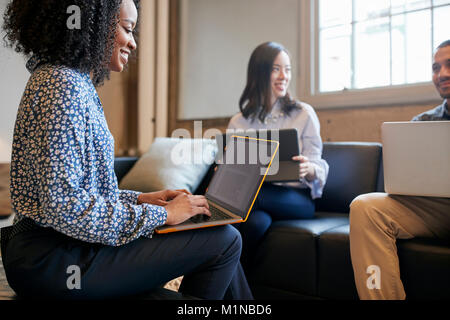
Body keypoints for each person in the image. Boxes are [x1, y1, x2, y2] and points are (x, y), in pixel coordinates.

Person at [0, 0, 252, 300]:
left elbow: (79, 192)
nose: (132, 42)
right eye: (127, 29)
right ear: (92, 26)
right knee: (225, 240)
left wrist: (143, 199)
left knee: (218, 241)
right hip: (52, 259)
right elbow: (63, 206)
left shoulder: (71, 82)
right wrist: (161, 215)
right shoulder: (62, 86)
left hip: (59, 250)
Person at [349, 39, 450, 300]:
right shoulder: (423, 123)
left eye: (449, 65)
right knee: (365, 207)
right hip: (437, 208)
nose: (442, 74)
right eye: (436, 67)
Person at [227, 42, 329, 267]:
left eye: (288, 69)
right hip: (255, 202)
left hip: (296, 199)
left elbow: (317, 162)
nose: (284, 76)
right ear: (259, 73)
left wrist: (309, 168)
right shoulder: (239, 122)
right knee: (255, 224)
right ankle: (234, 289)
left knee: (245, 194)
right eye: (276, 69)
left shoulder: (304, 113)